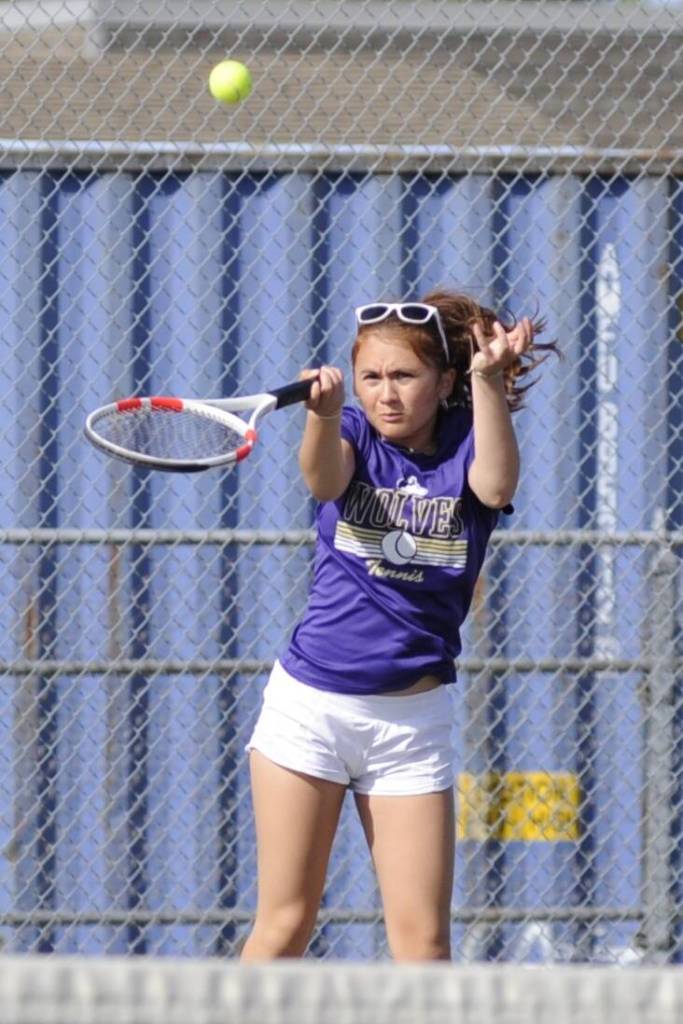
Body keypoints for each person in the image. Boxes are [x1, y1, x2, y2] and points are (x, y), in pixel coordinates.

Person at [240, 289, 555, 962]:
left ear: (443, 381)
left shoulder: (469, 443)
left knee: (423, 945)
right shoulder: (352, 432)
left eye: (405, 376)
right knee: (285, 924)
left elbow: (496, 488)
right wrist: (323, 416)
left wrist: (488, 379)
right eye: (372, 377)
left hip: (410, 727)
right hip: (310, 712)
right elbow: (324, 481)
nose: (386, 394)